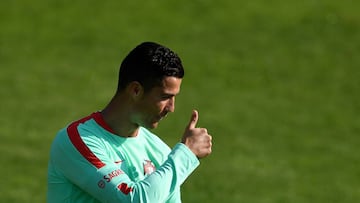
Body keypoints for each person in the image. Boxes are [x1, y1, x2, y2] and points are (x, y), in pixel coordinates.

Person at [47, 41, 213, 203]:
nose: (171, 108)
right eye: (165, 97)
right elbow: (133, 200)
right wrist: (186, 154)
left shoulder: (160, 152)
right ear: (136, 90)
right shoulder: (77, 141)